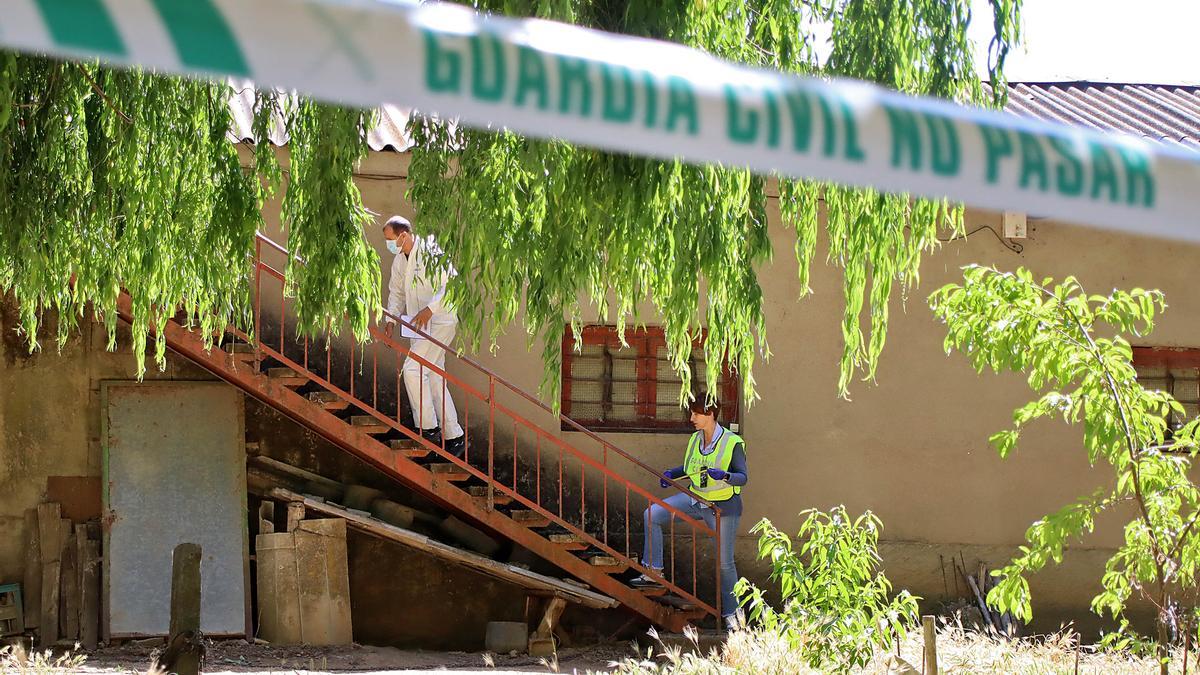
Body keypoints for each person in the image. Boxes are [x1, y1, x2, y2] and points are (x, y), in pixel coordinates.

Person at [633, 395, 747, 624]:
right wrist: (672, 474)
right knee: (652, 515)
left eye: (697, 413)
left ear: (711, 414)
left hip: (722, 507)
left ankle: (733, 616)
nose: (692, 418)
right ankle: (654, 572)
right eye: (692, 413)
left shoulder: (732, 442)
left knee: (724, 564)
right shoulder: (695, 439)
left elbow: (743, 477)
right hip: (695, 499)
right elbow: (690, 468)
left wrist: (725, 476)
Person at [381, 215, 466, 456]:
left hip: (440, 320)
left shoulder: (430, 250)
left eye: (390, 239)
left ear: (403, 235)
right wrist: (390, 319)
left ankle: (428, 428)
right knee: (434, 376)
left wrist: (431, 309)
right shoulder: (399, 261)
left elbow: (452, 285)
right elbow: (396, 292)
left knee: (412, 369)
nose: (389, 244)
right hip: (420, 326)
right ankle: (454, 436)